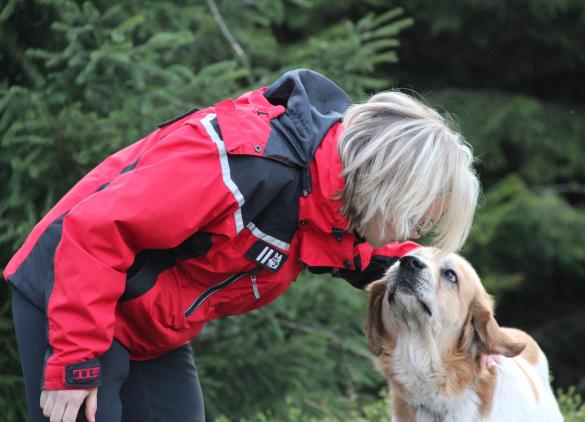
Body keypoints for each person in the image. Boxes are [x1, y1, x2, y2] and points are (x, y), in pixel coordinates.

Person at [3, 69, 480, 422]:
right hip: (72, 294)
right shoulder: (246, 166)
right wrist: (76, 361)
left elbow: (367, 256)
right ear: (388, 189)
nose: (409, 233)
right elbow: (94, 230)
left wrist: (473, 320)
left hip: (147, 323)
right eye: (415, 218)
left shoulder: (330, 199)